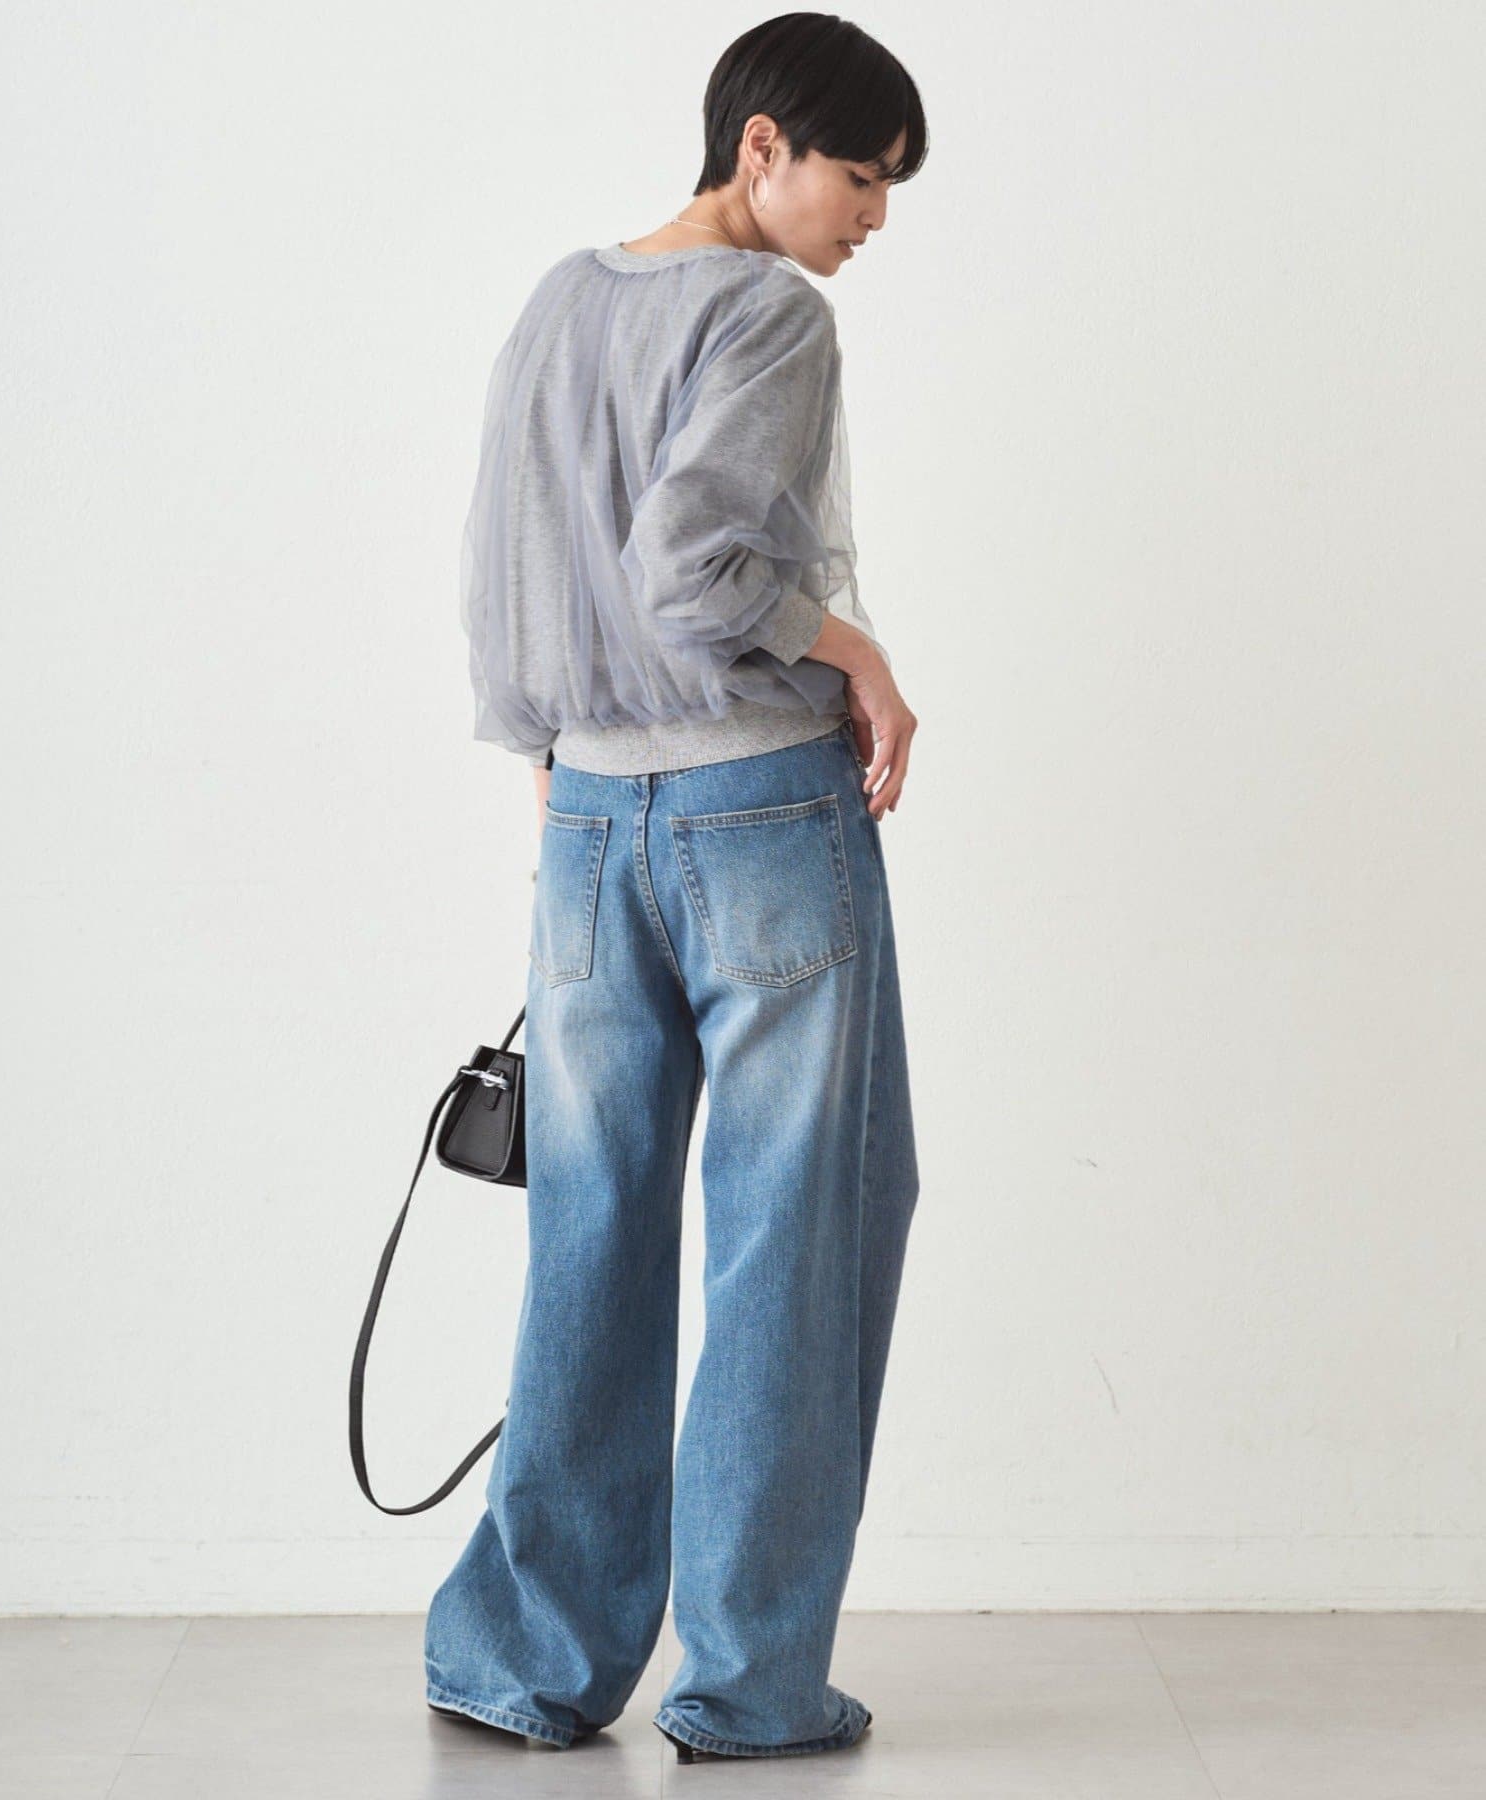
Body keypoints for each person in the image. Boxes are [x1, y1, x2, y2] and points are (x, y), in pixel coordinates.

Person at [424, 13, 928, 1762]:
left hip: (585, 818)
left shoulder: (560, 301)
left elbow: (501, 569)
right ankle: (748, 1684)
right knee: (797, 1229)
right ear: (762, 144)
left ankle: (527, 1660)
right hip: (758, 813)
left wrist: (557, 764)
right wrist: (855, 651)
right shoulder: (772, 312)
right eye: (859, 173)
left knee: (592, 1229)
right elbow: (696, 571)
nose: (873, 216)